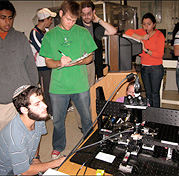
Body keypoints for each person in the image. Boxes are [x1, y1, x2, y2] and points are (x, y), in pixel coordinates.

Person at [39, 0, 97, 160]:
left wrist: (80, 61)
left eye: (74, 20)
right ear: (61, 14)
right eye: (68, 19)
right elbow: (48, 61)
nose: (71, 23)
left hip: (80, 85)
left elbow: (90, 57)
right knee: (57, 120)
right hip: (58, 87)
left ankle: (91, 143)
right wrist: (59, 63)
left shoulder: (82, 32)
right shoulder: (50, 36)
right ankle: (58, 146)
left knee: (86, 118)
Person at [0, 0, 38, 142]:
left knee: (30, 132)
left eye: (10, 18)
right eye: (3, 17)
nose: (7, 22)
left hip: (24, 96)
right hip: (1, 99)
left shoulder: (20, 38)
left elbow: (30, 65)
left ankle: (33, 160)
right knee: (1, 138)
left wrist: (31, 89)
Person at [0, 85, 66, 175]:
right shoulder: (15, 136)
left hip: (21, 166)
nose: (45, 106)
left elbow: (36, 138)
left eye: (42, 100)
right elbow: (24, 171)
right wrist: (57, 162)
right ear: (24, 110)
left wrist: (35, 158)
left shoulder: (37, 117)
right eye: (37, 104)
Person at [125, 13, 165, 107]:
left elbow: (159, 55)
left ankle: (156, 116)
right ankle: (149, 114)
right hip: (144, 67)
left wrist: (146, 50)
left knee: (154, 94)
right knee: (147, 93)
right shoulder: (142, 32)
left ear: (154, 24)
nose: (146, 26)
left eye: (149, 24)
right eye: (144, 24)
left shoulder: (159, 35)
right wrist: (141, 37)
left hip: (156, 68)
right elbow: (128, 32)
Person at [77, 0, 117, 84]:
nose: (86, 16)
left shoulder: (96, 27)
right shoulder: (77, 26)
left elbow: (113, 31)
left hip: (94, 64)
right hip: (80, 65)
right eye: (83, 14)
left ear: (93, 12)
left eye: (89, 13)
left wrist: (98, 20)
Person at [29, 8, 57, 116]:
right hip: (42, 68)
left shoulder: (47, 32)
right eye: (50, 19)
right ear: (45, 19)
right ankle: (51, 112)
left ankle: (56, 108)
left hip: (51, 65)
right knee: (47, 91)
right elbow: (43, 51)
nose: (51, 22)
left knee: (54, 89)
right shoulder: (35, 33)